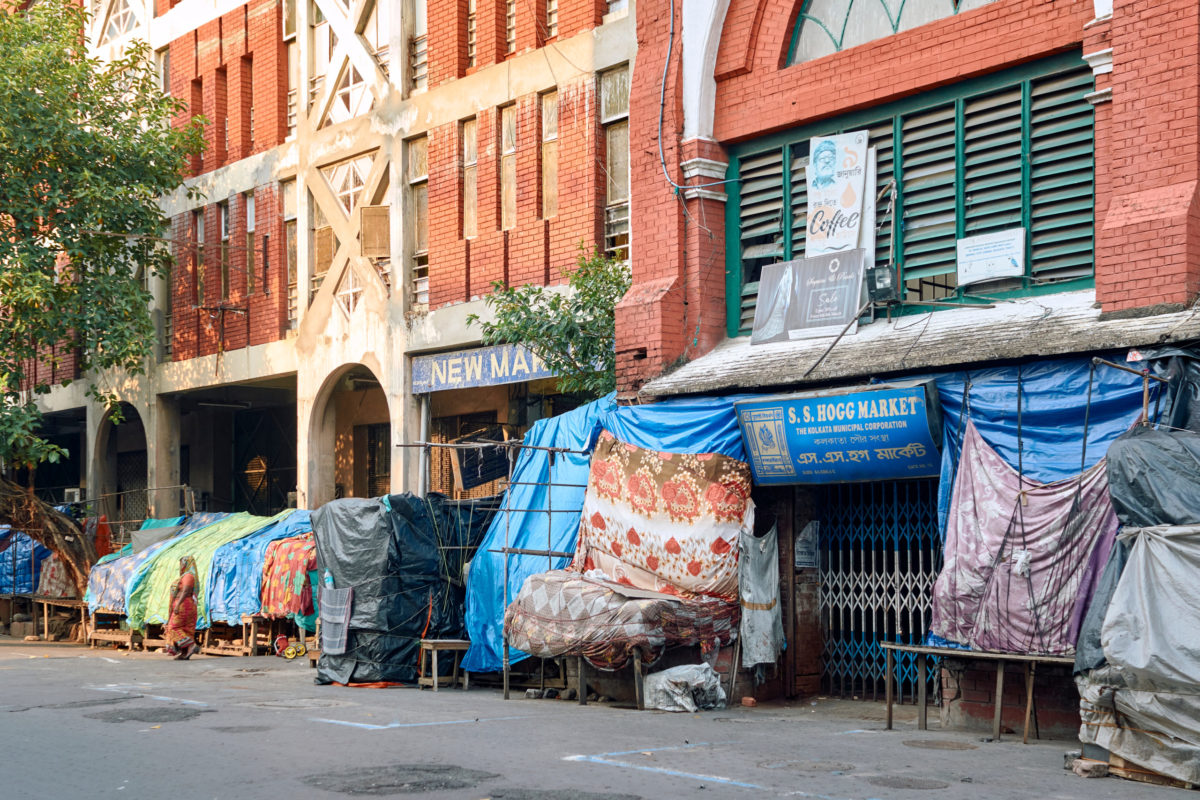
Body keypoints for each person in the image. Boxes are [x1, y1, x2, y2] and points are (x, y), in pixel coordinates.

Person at [164, 555, 199, 660]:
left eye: (182, 563)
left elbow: (185, 590)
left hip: (184, 604)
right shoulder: (185, 576)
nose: (181, 565)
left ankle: (191, 645)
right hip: (183, 603)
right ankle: (185, 652)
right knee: (185, 628)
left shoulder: (188, 576)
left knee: (173, 627)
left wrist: (178, 604)